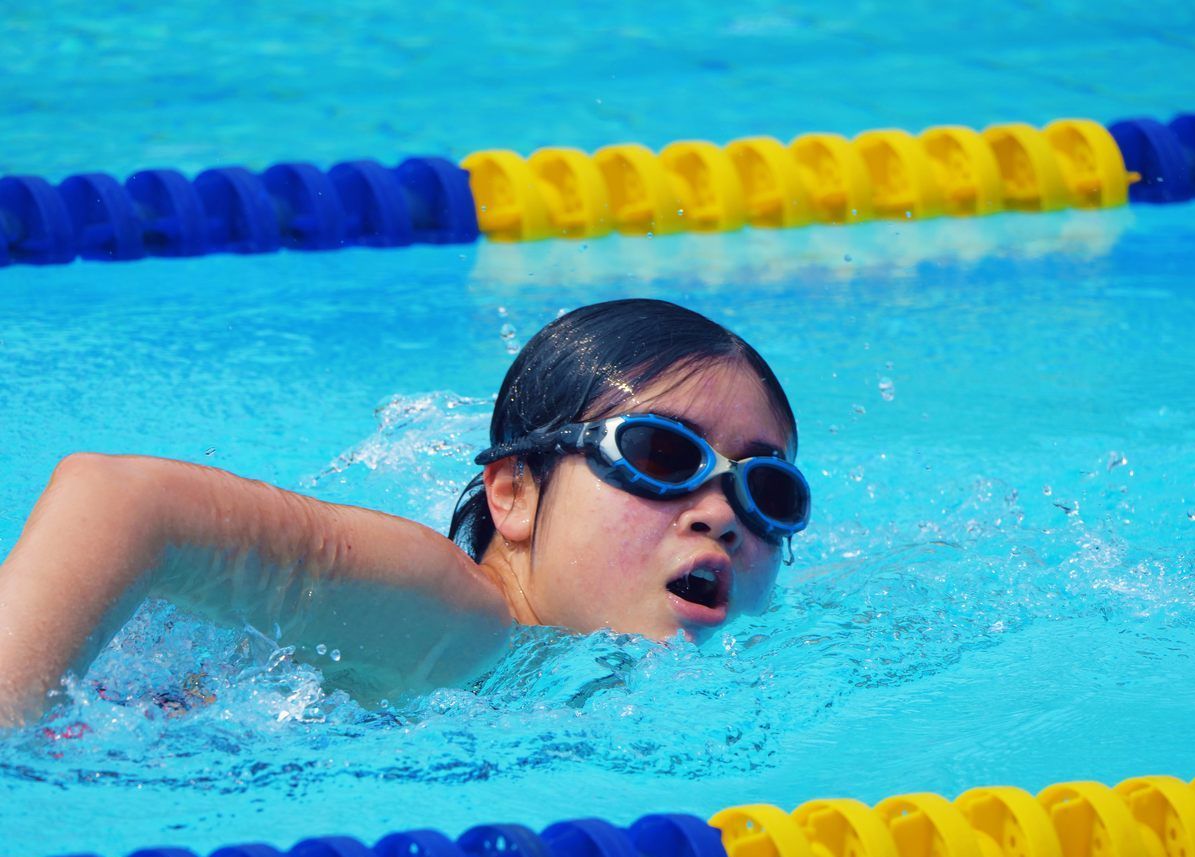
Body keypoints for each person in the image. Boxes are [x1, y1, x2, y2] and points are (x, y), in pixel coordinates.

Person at [0, 298, 810, 726]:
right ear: (515, 495)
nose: (722, 515)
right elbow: (119, 499)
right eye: (662, 456)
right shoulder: (461, 619)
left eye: (766, 491)